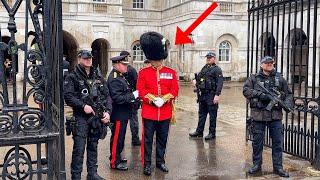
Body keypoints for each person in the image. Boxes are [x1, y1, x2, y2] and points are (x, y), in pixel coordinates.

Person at [64, 49, 112, 180]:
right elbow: (68, 96)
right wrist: (83, 105)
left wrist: (108, 112)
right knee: (79, 149)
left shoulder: (98, 77)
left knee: (93, 146)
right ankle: (76, 176)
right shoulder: (72, 77)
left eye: (90, 58)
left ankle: (92, 173)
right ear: (79, 59)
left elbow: (107, 96)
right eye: (85, 58)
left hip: (96, 117)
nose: (88, 60)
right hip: (81, 118)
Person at [243, 56, 293, 177]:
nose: (270, 64)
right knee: (257, 142)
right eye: (267, 63)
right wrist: (261, 95)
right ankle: (256, 165)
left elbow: (289, 94)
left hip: (275, 116)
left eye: (271, 63)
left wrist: (286, 104)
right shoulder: (254, 78)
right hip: (259, 115)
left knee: (277, 143)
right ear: (261, 65)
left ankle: (278, 167)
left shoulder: (280, 78)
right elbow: (246, 90)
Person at [137, 31, 179, 176]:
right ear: (151, 59)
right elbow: (141, 91)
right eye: (156, 60)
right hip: (149, 112)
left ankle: (160, 162)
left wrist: (165, 98)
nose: (158, 63)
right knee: (148, 140)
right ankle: (147, 164)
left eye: (159, 60)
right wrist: (153, 100)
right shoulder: (143, 73)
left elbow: (175, 89)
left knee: (162, 139)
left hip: (165, 112)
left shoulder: (171, 72)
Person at [107, 53, 139, 171]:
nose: (126, 67)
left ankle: (117, 156)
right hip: (118, 113)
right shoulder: (115, 78)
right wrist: (133, 95)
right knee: (117, 138)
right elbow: (118, 98)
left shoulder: (120, 76)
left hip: (124, 113)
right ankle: (114, 162)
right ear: (116, 65)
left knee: (120, 137)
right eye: (123, 64)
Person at [189, 52, 223, 140]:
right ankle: (199, 132)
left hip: (211, 95)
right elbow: (199, 77)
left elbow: (220, 83)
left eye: (210, 57)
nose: (208, 59)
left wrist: (217, 95)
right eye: (207, 57)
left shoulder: (217, 69)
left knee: (212, 115)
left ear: (214, 58)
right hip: (203, 95)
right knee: (202, 114)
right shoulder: (204, 68)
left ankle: (212, 133)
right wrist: (194, 80)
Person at [120, 50, 141, 146]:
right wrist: (137, 98)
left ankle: (123, 142)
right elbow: (138, 84)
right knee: (133, 121)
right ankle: (135, 139)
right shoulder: (131, 69)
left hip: (123, 99)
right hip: (131, 98)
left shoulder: (117, 70)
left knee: (125, 121)